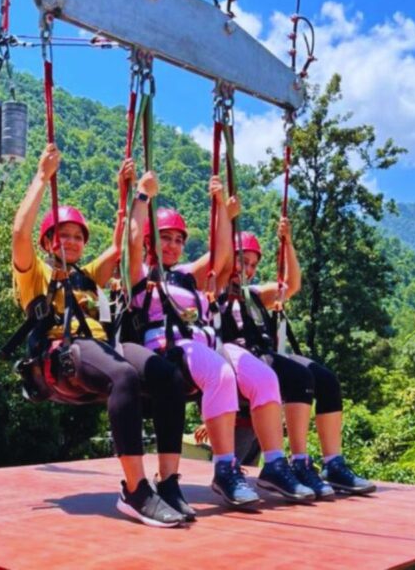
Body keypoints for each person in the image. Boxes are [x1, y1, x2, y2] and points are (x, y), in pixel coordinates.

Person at [10, 145, 189, 527]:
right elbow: (19, 232)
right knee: (123, 374)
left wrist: (137, 195)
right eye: (62, 235)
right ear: (47, 242)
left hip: (100, 348)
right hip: (62, 353)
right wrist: (42, 176)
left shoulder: (89, 276)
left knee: (165, 374)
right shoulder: (35, 273)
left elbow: (125, 245)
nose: (71, 242)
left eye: (77, 236)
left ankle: (169, 482)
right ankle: (135, 490)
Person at [127, 172, 315, 512]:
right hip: (170, 348)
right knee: (221, 374)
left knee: (265, 379)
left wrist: (221, 211)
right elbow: (133, 241)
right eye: (164, 238)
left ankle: (274, 462)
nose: (171, 245)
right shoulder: (141, 273)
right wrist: (141, 196)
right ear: (154, 241)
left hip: (204, 346)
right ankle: (225, 467)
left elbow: (221, 256)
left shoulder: (187, 276)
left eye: (177, 240)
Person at [218, 221, 375, 496]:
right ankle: (298, 460)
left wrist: (287, 242)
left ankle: (332, 463)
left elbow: (289, 286)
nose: (249, 269)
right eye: (243, 261)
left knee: (325, 380)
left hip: (265, 354)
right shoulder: (216, 292)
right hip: (241, 360)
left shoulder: (254, 295)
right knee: (297, 376)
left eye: (254, 264)